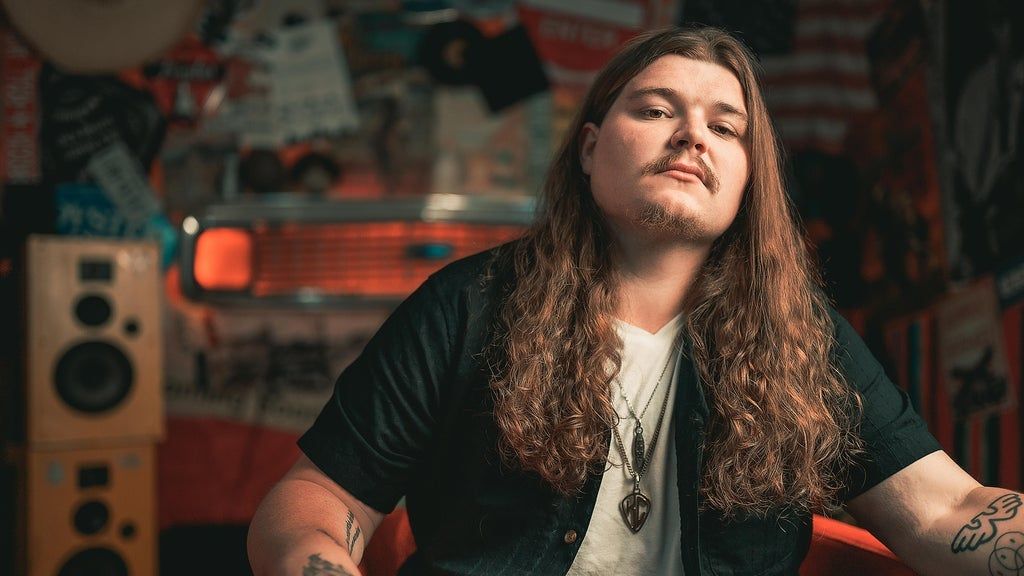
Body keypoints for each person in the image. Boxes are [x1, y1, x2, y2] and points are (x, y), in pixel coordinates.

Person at [248, 25, 1024, 575]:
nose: (692, 136)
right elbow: (318, 497)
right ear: (590, 149)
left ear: (747, 181)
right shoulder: (466, 305)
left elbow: (944, 510)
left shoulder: (802, 338)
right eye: (655, 110)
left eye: (727, 128)